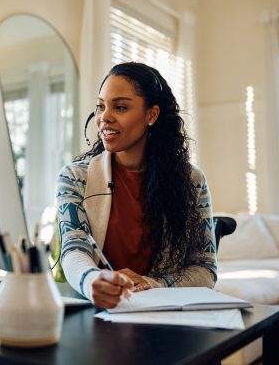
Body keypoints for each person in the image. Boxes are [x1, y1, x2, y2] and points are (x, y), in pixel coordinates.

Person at [56, 62, 216, 309]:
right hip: (100, 310)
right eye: (100, 106)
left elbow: (205, 269)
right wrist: (93, 281)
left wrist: (152, 284)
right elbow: (73, 248)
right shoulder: (76, 177)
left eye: (120, 107)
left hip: (163, 314)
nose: (104, 117)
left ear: (151, 115)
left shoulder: (191, 180)